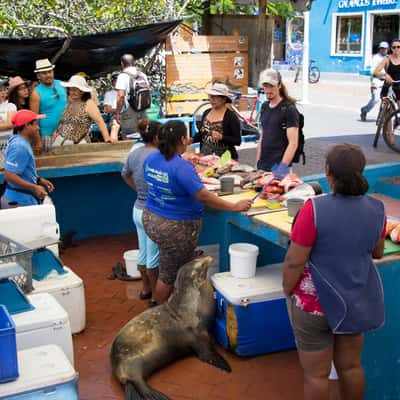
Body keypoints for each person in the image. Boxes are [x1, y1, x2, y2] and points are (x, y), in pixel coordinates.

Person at [282, 143, 386, 400]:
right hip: (354, 301)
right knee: (351, 367)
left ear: (327, 171)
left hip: (314, 303)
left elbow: (295, 260)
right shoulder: (377, 208)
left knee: (316, 376)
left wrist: (287, 289)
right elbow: (378, 252)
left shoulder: (314, 209)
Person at [142, 120, 252, 306]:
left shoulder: (152, 158)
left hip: (152, 218)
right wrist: (234, 206)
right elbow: (203, 196)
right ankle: (157, 310)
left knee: (170, 262)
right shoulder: (181, 167)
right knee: (168, 275)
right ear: (183, 139)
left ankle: (178, 301)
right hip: (174, 227)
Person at [122, 121, 162, 302]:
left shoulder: (135, 153)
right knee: (153, 257)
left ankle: (145, 289)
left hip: (137, 209)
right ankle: (156, 296)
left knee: (143, 252)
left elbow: (125, 174)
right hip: (152, 212)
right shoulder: (159, 157)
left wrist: (138, 190)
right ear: (156, 137)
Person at [1, 110, 54, 209]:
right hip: (19, 203)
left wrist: (38, 180)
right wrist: (34, 187)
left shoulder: (19, 141)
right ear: (26, 126)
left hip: (20, 201)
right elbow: (9, 175)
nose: (38, 128)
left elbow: (20, 172)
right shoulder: (19, 146)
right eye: (35, 124)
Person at [52, 75, 116, 146]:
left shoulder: (89, 103)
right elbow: (63, 120)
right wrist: (56, 132)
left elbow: (100, 122)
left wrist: (107, 138)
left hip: (78, 143)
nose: (73, 92)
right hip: (60, 141)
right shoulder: (69, 101)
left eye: (75, 90)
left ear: (82, 91)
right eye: (71, 89)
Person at [256, 69, 299, 173]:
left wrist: (281, 169)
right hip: (262, 167)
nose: (268, 90)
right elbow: (262, 137)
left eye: (272, 86)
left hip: (279, 168)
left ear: (279, 85)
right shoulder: (264, 106)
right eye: (266, 86)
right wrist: (257, 162)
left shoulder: (289, 109)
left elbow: (293, 144)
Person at [192, 82, 241, 159]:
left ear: (224, 99)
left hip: (224, 159)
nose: (212, 100)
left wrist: (222, 137)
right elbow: (202, 133)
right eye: (211, 97)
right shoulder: (206, 112)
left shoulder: (231, 117)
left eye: (215, 97)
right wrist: (191, 139)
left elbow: (237, 141)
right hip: (205, 157)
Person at [30, 58, 67, 152]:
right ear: (38, 75)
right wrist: (38, 141)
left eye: (49, 72)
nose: (48, 75)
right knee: (52, 164)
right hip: (47, 135)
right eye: (44, 73)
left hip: (65, 133)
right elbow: (34, 119)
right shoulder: (36, 93)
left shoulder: (61, 84)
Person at [374, 38, 400, 144]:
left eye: (398, 47)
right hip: (388, 86)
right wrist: (385, 75)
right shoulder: (387, 59)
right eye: (394, 47)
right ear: (391, 49)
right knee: (389, 112)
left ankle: (396, 122)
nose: (396, 49)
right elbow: (376, 72)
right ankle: (390, 136)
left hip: (399, 87)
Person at [115, 54, 148, 138]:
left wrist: (118, 112)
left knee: (129, 139)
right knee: (144, 138)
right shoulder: (142, 75)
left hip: (129, 114)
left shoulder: (122, 76)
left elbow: (121, 96)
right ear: (134, 62)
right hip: (143, 112)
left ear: (122, 64)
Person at [360, 42, 389, 122]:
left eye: (385, 48)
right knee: (375, 99)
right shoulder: (375, 58)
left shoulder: (388, 58)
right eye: (382, 48)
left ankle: (381, 117)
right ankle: (365, 110)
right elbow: (372, 72)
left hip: (386, 82)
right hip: (377, 81)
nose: (384, 50)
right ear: (380, 49)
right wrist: (373, 83)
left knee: (387, 100)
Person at [0, 80, 17, 156]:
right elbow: (6, 124)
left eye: (4, 89)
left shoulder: (10, 106)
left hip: (7, 143)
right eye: (0, 90)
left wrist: (6, 124)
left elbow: (10, 124)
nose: (3, 92)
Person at [103, 72, 120, 141]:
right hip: (114, 116)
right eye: (115, 81)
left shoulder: (128, 92)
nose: (117, 83)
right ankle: (113, 145)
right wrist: (119, 111)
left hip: (128, 115)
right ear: (112, 83)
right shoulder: (109, 94)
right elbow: (107, 109)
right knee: (115, 126)